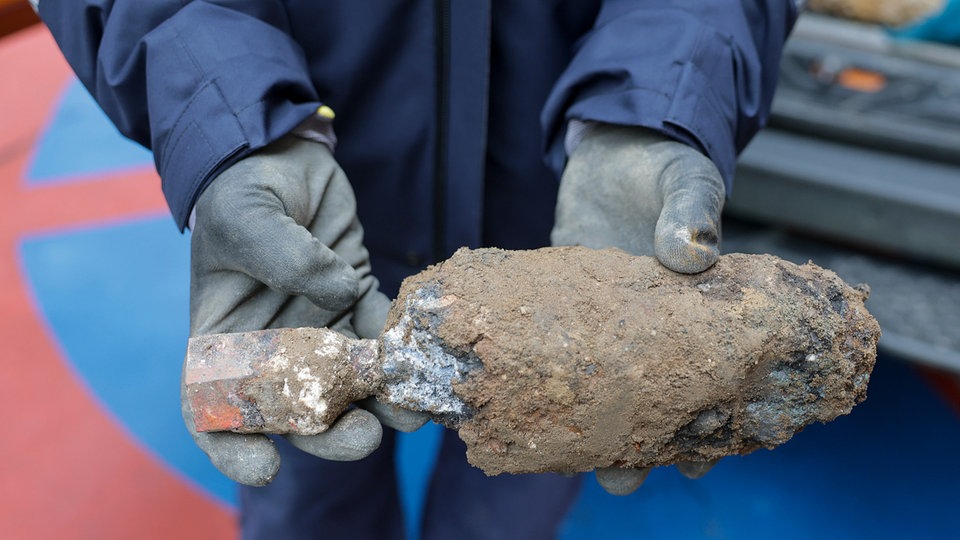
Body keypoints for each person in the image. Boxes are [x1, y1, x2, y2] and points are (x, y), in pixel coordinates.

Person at [37, 1, 801, 538]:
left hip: (561, 230)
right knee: (309, 502)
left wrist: (653, 103)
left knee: (517, 496)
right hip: (311, 225)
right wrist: (233, 129)